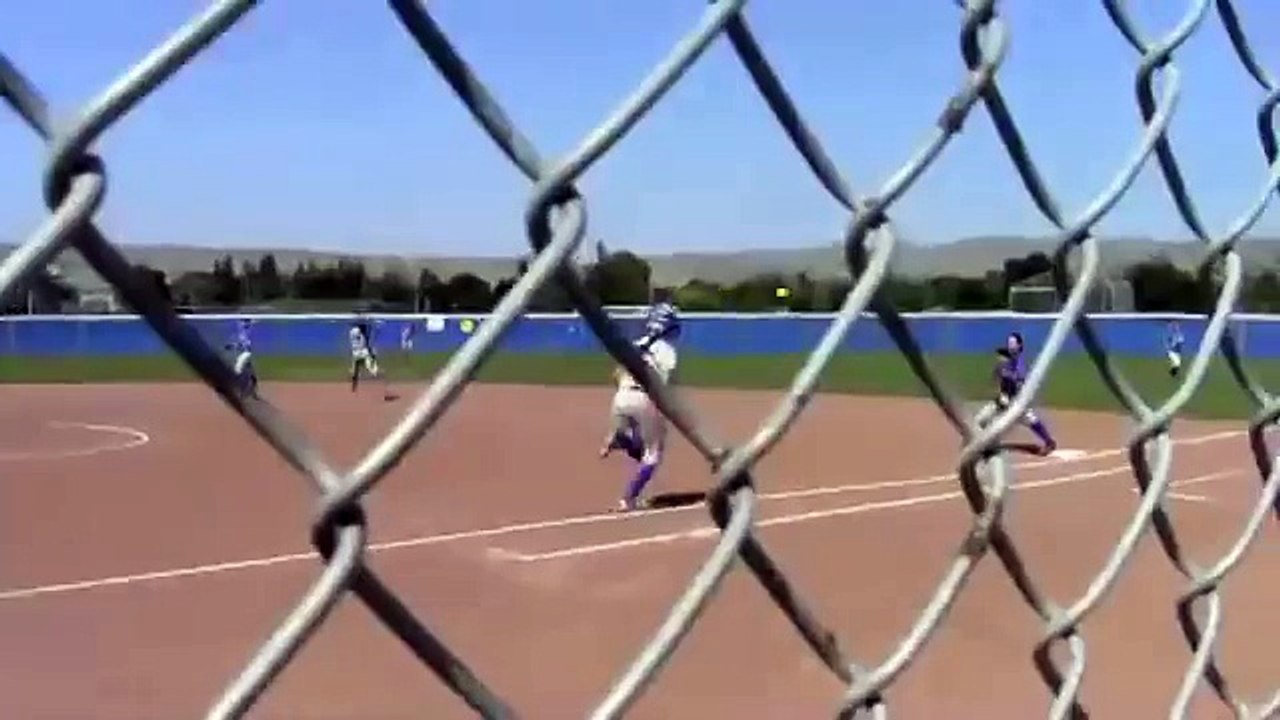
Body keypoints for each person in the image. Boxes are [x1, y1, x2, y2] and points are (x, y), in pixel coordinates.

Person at [599, 301, 681, 512]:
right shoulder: (667, 351)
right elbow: (663, 385)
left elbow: (616, 374)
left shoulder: (636, 343)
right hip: (643, 398)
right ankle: (628, 499)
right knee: (653, 453)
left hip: (620, 396)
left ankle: (622, 438)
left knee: (641, 449)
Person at [974, 331, 1057, 456]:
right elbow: (995, 380)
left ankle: (1049, 442)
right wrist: (999, 394)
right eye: (1009, 343)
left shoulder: (1020, 364)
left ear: (1019, 346)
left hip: (1017, 402)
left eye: (1013, 343)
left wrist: (1010, 395)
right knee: (980, 419)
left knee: (1031, 420)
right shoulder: (1003, 362)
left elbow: (1020, 383)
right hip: (1002, 400)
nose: (1010, 346)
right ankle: (986, 444)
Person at [348, 317, 391, 400]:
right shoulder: (360, 331)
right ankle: (382, 379)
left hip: (357, 352)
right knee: (365, 370)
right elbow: (365, 334)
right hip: (362, 352)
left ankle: (354, 388)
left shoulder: (352, 331)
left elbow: (364, 334)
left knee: (355, 371)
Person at [224, 317, 258, 398]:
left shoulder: (246, 332)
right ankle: (252, 391)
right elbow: (241, 345)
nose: (240, 324)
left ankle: (242, 392)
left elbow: (243, 345)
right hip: (247, 354)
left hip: (246, 354)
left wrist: (232, 346)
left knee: (238, 370)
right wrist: (231, 346)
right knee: (251, 374)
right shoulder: (243, 333)